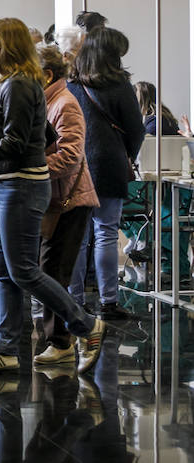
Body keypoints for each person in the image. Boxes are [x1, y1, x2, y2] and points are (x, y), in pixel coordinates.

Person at [0, 18, 105, 374]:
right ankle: (4, 349)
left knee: (22, 270)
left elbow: (16, 143)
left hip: (19, 185)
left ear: (7, 46)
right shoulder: (17, 85)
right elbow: (43, 134)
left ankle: (86, 326)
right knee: (3, 271)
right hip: (9, 183)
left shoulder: (18, 85)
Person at [67, 27, 144, 321]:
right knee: (106, 233)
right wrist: (126, 153)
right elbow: (136, 129)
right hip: (109, 164)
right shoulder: (120, 85)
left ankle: (73, 300)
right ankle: (108, 301)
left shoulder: (71, 84)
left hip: (75, 164)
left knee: (77, 236)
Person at [34, 44, 99, 365]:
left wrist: (34, 167)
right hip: (56, 199)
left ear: (46, 74)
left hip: (71, 200)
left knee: (54, 272)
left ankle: (68, 338)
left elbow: (71, 156)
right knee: (49, 271)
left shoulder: (65, 103)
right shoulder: (49, 101)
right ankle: (62, 341)